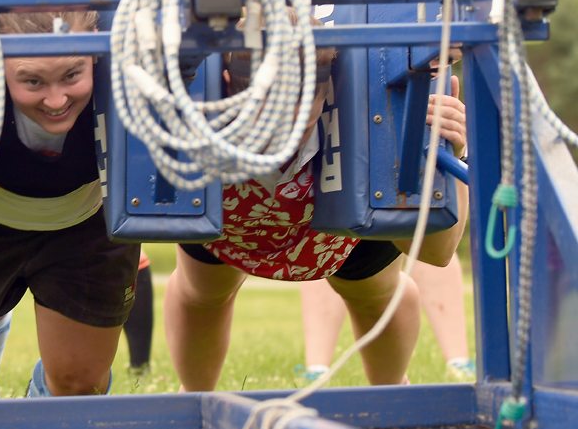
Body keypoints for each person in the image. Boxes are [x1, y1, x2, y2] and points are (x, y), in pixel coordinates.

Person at [266, 0, 475, 383]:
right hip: (319, 116)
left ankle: (458, 355)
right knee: (326, 239)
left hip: (409, 98)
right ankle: (316, 362)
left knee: (427, 227)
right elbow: (260, 4)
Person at [163, 21, 470, 389]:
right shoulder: (195, 120)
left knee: (376, 294)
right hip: (231, 218)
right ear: (229, 84)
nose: (289, 122)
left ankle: (393, 396)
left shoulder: (370, 129)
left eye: (301, 100)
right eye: (268, 103)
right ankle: (194, 399)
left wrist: (449, 154)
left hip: (340, 215)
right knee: (202, 293)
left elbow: (438, 252)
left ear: (326, 91)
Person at [0, 9, 141, 399]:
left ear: (94, 53)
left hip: (88, 220)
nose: (56, 100)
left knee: (79, 384)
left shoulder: (126, 68)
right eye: (33, 80)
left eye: (72, 75)